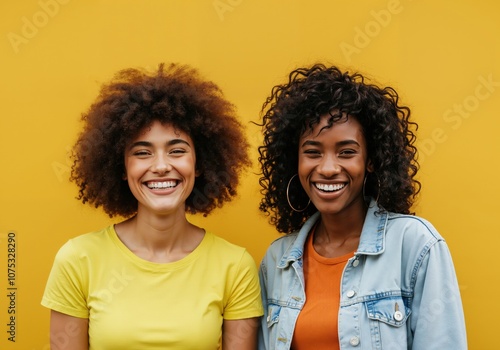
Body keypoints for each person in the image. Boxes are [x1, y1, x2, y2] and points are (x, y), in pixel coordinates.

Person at [42, 63, 263, 350]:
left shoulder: (234, 266)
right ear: (121, 167)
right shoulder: (77, 260)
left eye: (177, 151)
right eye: (143, 152)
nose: (161, 166)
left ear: (199, 165)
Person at [256, 64, 467, 350]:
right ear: (295, 160)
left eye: (346, 152)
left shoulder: (415, 245)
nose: (328, 168)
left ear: (370, 160)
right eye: (312, 152)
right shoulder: (277, 261)